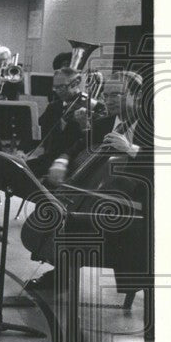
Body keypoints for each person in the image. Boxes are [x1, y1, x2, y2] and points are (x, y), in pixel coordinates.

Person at [23, 71, 149, 295]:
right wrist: (61, 161)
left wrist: (130, 149)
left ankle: (64, 272)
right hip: (102, 196)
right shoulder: (105, 123)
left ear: (137, 97)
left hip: (139, 205)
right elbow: (76, 147)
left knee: (75, 223)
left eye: (116, 95)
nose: (108, 100)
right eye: (107, 95)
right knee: (59, 208)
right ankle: (61, 271)